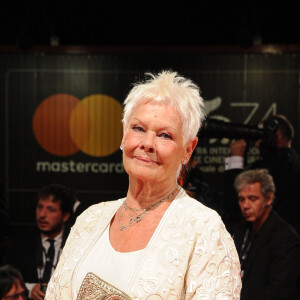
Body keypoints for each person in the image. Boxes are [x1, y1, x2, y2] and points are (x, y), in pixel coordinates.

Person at [45, 70, 241, 299]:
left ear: (188, 149)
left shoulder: (204, 229)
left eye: (165, 135)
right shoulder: (90, 220)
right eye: (138, 129)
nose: (148, 143)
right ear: (123, 135)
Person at [223, 114, 300, 234]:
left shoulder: (267, 168)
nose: (257, 143)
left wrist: (236, 159)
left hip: (269, 238)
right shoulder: (294, 162)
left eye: (262, 136)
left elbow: (232, 203)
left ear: (277, 135)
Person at [233, 169, 300, 300]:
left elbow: (279, 292)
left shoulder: (285, 238)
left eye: (253, 199)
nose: (246, 205)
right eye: (242, 199)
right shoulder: (240, 230)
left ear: (268, 199)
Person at [6, 184, 75, 300]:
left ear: (65, 216)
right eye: (40, 207)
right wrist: (29, 289)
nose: (42, 215)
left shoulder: (76, 245)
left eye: (51, 209)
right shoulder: (20, 243)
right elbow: (6, 279)